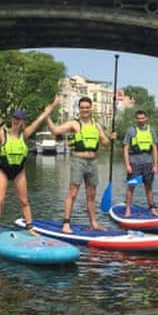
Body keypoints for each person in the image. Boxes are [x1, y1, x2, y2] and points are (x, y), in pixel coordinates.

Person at [0, 97, 60, 240]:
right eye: (15, 118)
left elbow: (39, 120)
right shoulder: (3, 134)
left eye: (19, 119)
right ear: (12, 119)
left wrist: (53, 104)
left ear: (22, 122)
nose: (16, 121)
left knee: (24, 201)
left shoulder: (25, 134)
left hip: (18, 172)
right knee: (0, 200)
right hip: (2, 170)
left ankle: (30, 228)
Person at [47, 96, 113, 233]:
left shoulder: (97, 125)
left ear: (91, 108)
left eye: (87, 107)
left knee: (92, 195)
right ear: (79, 109)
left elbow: (106, 144)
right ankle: (66, 224)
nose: (85, 110)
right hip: (78, 161)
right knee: (73, 193)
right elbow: (55, 131)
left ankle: (94, 223)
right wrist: (47, 115)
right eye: (82, 107)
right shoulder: (74, 124)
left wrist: (110, 138)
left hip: (93, 162)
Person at [122, 109, 158, 217]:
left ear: (146, 118)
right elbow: (125, 148)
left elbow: (155, 149)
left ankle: (152, 209)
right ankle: (127, 208)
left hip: (148, 163)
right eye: (138, 118)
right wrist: (127, 165)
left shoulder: (151, 131)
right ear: (135, 119)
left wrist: (155, 165)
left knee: (149, 186)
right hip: (134, 163)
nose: (140, 120)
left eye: (142, 118)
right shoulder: (131, 131)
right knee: (131, 186)